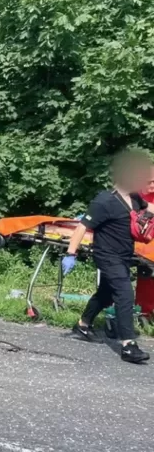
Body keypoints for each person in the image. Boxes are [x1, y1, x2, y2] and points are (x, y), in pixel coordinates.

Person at [64, 149, 152, 364]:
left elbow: (149, 208)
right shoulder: (104, 201)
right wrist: (70, 254)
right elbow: (82, 227)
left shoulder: (134, 198)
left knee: (106, 294)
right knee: (124, 294)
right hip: (106, 255)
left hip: (123, 255)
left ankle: (82, 326)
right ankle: (128, 345)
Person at [135, 171, 154, 316]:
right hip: (135, 244)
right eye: (149, 181)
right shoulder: (134, 196)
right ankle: (143, 311)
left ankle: (147, 311)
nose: (152, 185)